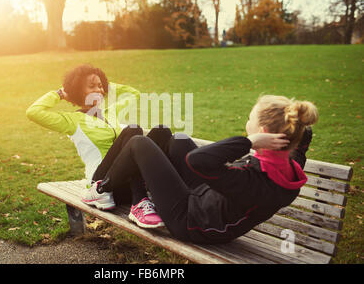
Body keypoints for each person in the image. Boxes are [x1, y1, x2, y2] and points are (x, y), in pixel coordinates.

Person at [95, 95, 318, 243]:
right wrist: (295, 125)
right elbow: (302, 144)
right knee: (177, 140)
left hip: (191, 221)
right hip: (207, 202)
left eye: (249, 117)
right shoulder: (289, 167)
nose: (246, 120)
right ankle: (128, 188)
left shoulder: (253, 179)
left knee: (138, 143)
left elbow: (197, 161)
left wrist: (249, 141)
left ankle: (102, 189)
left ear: (262, 131)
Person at [26, 64, 167, 228]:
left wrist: (106, 86)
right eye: (92, 86)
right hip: (103, 187)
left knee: (162, 132)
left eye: (100, 86)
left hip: (127, 184)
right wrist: (60, 93)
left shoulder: (110, 112)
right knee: (133, 130)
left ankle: (144, 199)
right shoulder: (72, 121)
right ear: (79, 91)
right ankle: (139, 204)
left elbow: (134, 95)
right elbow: (33, 112)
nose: (99, 90)